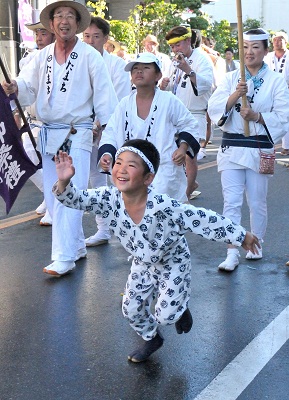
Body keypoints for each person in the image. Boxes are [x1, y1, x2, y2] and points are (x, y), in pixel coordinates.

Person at [52, 141, 260, 362]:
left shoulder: (164, 207)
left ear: (148, 178)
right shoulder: (108, 199)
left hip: (173, 261)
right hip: (142, 263)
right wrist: (65, 181)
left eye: (131, 165)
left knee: (166, 314)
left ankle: (179, 309)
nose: (121, 169)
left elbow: (203, 220)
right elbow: (76, 199)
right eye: (118, 162)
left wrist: (240, 235)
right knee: (131, 309)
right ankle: (152, 338)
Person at [2, 0, 118, 276]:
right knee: (55, 199)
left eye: (70, 16)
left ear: (78, 24)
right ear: (51, 24)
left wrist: (110, 139)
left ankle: (63, 256)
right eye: (58, 17)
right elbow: (28, 88)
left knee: (67, 194)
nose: (64, 21)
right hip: (46, 132)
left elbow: (106, 99)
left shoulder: (90, 57)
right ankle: (76, 246)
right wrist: (16, 87)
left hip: (76, 133)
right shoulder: (40, 57)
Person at [208, 28, 289, 271]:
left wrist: (257, 116)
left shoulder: (276, 80)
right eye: (244, 47)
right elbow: (214, 107)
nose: (249, 52)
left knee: (256, 201)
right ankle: (232, 250)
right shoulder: (231, 78)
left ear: (265, 51)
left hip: (258, 147)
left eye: (255, 47)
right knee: (231, 202)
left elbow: (283, 116)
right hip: (232, 146)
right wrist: (235, 95)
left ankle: (257, 241)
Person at [97, 53, 200, 204]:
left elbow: (189, 124)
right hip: (132, 173)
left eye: (146, 67)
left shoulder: (169, 100)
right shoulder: (124, 104)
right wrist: (107, 154)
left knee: (165, 219)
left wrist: (182, 148)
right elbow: (111, 132)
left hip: (164, 172)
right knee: (134, 219)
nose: (139, 71)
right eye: (135, 69)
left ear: (158, 75)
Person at [82, 16, 131, 247]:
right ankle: (104, 228)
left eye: (96, 36)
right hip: (83, 130)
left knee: (115, 178)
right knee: (94, 179)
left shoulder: (116, 65)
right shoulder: (78, 60)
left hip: (108, 130)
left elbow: (116, 101)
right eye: (87, 36)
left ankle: (123, 224)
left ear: (106, 39)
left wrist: (100, 125)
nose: (90, 41)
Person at [160, 26, 214, 198]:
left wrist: (188, 70)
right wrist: (164, 85)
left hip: (194, 114)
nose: (175, 49)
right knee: (173, 155)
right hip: (176, 115)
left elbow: (206, 85)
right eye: (172, 46)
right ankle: (189, 183)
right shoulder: (175, 61)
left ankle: (186, 193)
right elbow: (172, 87)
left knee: (189, 155)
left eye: (178, 45)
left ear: (188, 41)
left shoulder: (202, 59)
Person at [19, 22, 55, 225]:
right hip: (32, 120)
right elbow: (23, 86)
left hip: (51, 120)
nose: (39, 37)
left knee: (51, 164)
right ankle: (48, 196)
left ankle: (53, 203)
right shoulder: (31, 59)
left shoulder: (56, 57)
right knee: (28, 157)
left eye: (44, 33)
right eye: (37, 33)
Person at [264, 31, 289, 155]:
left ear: (286, 41)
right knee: (268, 116)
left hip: (287, 90)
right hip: (270, 90)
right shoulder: (268, 56)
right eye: (275, 40)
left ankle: (286, 146)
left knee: (286, 117)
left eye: (280, 40)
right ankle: (269, 144)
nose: (277, 42)